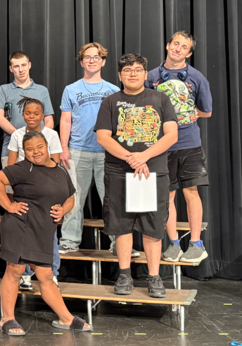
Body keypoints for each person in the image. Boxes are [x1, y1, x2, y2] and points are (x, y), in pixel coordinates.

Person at [0, 130, 91, 336]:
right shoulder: (23, 168)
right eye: (29, 149)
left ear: (47, 146)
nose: (35, 152)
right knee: (15, 270)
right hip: (20, 225)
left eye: (39, 147)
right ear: (24, 152)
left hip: (43, 230)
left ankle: (66, 318)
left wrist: (63, 210)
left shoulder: (60, 170)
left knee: (46, 275)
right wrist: (8, 206)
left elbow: (70, 197)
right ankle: (7, 318)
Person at [96, 53, 178, 298]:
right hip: (119, 172)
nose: (133, 73)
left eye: (138, 69)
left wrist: (143, 156)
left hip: (153, 173)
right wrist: (130, 158)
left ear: (145, 74)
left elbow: (171, 135)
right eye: (127, 70)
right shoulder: (110, 102)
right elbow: (103, 137)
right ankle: (124, 275)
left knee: (153, 226)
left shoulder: (160, 99)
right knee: (122, 225)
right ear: (120, 75)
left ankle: (154, 277)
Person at [145, 31, 212, 263]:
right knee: (168, 194)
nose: (178, 49)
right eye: (175, 44)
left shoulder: (197, 77)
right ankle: (173, 243)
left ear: (189, 53)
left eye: (184, 47)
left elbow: (207, 111)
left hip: (189, 143)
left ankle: (196, 243)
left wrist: (193, 114)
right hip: (162, 145)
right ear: (168, 45)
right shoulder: (151, 76)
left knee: (191, 191)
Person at [58, 43, 129, 257]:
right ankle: (69, 241)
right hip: (77, 150)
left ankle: (119, 244)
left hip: (107, 152)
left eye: (96, 57)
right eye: (87, 57)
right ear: (81, 62)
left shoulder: (114, 90)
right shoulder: (71, 89)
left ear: (103, 62)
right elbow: (65, 120)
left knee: (112, 199)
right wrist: (63, 147)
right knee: (74, 198)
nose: (91, 60)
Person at [6, 97, 63, 290]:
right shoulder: (17, 135)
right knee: (25, 233)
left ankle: (52, 273)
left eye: (36, 113)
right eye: (28, 113)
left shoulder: (51, 135)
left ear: (42, 115)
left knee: (48, 233)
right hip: (24, 190)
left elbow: (55, 163)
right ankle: (26, 275)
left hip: (45, 189)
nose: (31, 116)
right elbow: (11, 164)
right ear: (23, 115)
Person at [0, 51, 55, 170]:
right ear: (11, 69)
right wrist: (20, 136)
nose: (21, 70)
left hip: (39, 150)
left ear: (29, 65)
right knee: (11, 181)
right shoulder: (4, 90)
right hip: (11, 149)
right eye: (16, 66)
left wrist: (37, 138)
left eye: (23, 65)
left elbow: (49, 119)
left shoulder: (42, 90)